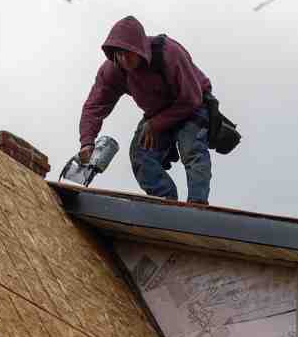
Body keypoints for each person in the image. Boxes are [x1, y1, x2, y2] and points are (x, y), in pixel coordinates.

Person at [78, 15, 213, 203]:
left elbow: (191, 98)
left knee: (192, 151)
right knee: (141, 155)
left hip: (191, 106)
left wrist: (156, 124)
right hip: (157, 114)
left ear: (141, 50)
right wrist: (87, 141)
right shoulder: (112, 71)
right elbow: (94, 106)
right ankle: (167, 204)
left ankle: (197, 206)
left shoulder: (169, 54)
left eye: (129, 53)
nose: (124, 59)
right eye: (119, 54)